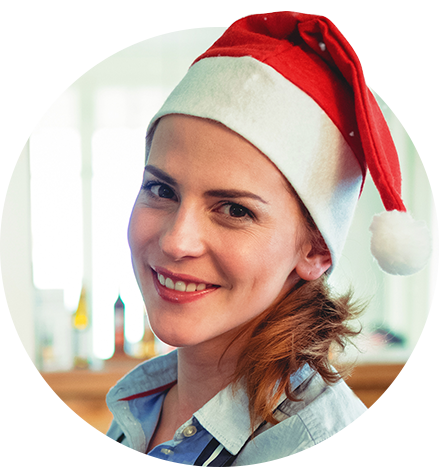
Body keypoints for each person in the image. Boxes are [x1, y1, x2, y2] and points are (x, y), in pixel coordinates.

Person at [105, 11, 431, 464]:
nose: (177, 241)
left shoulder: (325, 452)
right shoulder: (140, 411)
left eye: (235, 210)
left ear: (315, 249)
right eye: (162, 190)